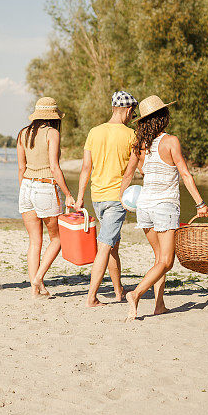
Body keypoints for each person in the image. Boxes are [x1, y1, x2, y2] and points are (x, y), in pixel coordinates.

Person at [120, 95, 208, 320]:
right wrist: (200, 203)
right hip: (164, 206)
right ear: (162, 118)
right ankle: (136, 294)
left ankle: (159, 304)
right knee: (167, 261)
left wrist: (122, 197)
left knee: (159, 258)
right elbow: (185, 174)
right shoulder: (171, 141)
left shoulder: (140, 145)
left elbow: (130, 172)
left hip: (144, 206)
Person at [75, 91, 138, 307]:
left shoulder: (94, 132)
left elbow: (86, 168)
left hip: (98, 197)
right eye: (133, 112)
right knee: (104, 246)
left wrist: (79, 197)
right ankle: (91, 297)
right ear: (128, 111)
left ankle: (118, 290)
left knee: (113, 245)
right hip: (116, 199)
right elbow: (134, 170)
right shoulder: (131, 135)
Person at [16, 97, 76, 297]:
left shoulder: (23, 133)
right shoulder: (52, 133)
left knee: (35, 241)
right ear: (53, 117)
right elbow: (54, 167)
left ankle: (36, 289)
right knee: (57, 239)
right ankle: (38, 277)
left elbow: (21, 168)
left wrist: (24, 190)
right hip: (45, 187)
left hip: (26, 187)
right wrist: (67, 194)